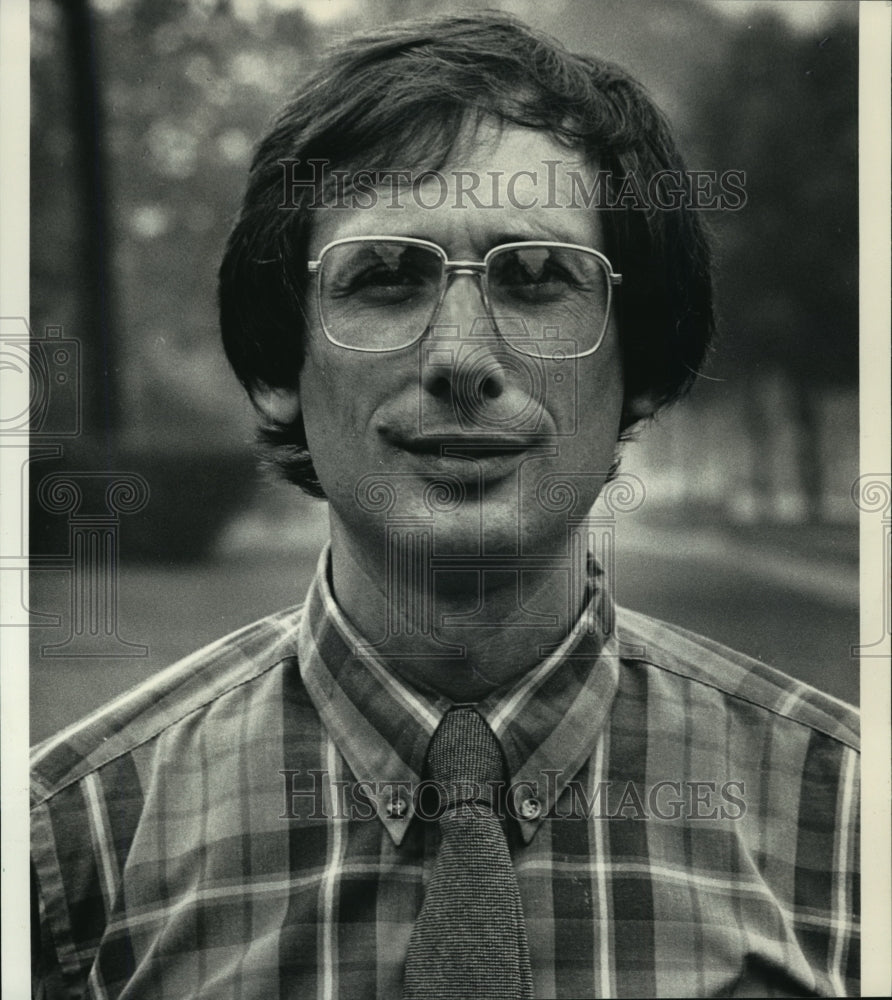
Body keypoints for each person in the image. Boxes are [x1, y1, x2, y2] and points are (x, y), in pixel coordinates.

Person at [31, 12, 859, 999]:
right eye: (384, 277)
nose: (460, 356)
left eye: (539, 277)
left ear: (638, 364)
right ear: (278, 364)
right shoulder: (73, 849)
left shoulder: (849, 826)